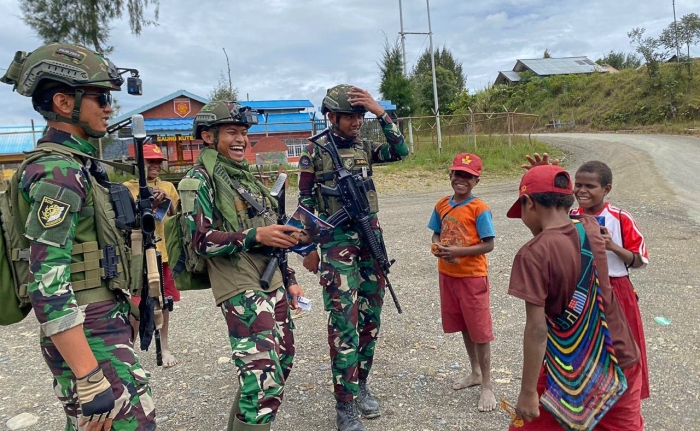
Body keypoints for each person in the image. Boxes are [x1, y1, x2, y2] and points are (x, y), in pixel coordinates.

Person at [0, 43, 156, 430]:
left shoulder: (78, 166)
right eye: (100, 97)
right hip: (87, 326)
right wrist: (88, 376)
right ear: (64, 103)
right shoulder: (58, 172)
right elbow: (46, 280)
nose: (108, 107)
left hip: (98, 322)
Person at [184, 100, 305, 431]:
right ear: (208, 137)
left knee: (280, 360)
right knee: (263, 373)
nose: (240, 140)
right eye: (231, 132)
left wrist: (290, 277)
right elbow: (201, 241)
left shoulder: (245, 176)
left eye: (244, 133)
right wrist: (255, 235)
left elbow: (270, 231)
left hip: (270, 276)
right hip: (236, 280)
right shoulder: (199, 179)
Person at [298, 84, 409, 431]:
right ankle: (344, 404)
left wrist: (380, 111)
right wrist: (308, 250)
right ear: (331, 117)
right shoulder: (315, 151)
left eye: (360, 116)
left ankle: (361, 385)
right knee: (343, 322)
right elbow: (305, 204)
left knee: (370, 317)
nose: (356, 122)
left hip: (370, 240)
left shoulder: (364, 145)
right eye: (350, 116)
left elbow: (401, 150)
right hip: (335, 245)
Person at [506, 165, 643, 431]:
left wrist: (527, 392)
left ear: (529, 203)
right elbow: (572, 218)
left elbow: (536, 329)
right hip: (620, 358)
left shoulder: (532, 254)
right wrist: (548, 175)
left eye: (522, 210)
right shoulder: (590, 226)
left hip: (570, 367)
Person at [569, 160, 650, 399]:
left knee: (623, 346)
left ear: (606, 189)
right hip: (581, 288)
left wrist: (612, 246)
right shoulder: (570, 216)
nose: (582, 191)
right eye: (578, 184)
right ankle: (588, 395)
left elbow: (639, 260)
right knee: (584, 344)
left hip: (616, 288)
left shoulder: (620, 217)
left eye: (590, 186)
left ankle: (625, 396)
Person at [427, 153, 497, 412]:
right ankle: (475, 372)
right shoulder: (442, 204)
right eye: (457, 174)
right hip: (448, 275)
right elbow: (436, 231)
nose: (461, 179)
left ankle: (487, 384)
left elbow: (488, 244)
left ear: (476, 180)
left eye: (467, 176)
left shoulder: (480, 209)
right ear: (450, 176)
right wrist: (437, 245)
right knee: (465, 325)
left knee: (480, 329)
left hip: (471, 277)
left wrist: (457, 253)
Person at [124, 143, 181, 368]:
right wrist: (145, 204)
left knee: (164, 302)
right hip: (139, 254)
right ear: (137, 163)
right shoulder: (126, 188)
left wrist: (166, 200)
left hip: (165, 253)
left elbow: (177, 216)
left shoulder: (168, 186)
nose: (156, 165)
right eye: (150, 161)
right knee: (136, 303)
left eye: (158, 161)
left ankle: (164, 346)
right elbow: (125, 222)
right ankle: (128, 351)